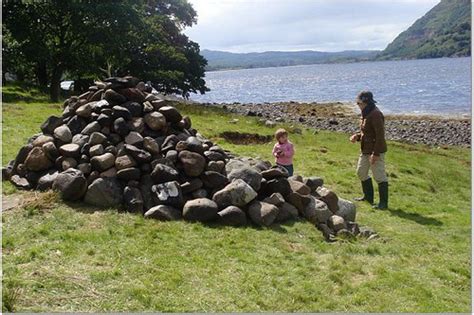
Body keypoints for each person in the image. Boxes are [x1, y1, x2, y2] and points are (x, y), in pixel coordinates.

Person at [350, 91, 388, 209]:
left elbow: (380, 136)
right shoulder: (365, 113)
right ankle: (368, 197)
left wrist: (375, 154)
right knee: (361, 172)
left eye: (359, 103)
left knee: (379, 176)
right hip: (365, 150)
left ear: (366, 102)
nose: (357, 105)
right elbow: (367, 132)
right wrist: (357, 136)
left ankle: (383, 204)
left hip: (375, 151)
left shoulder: (376, 114)